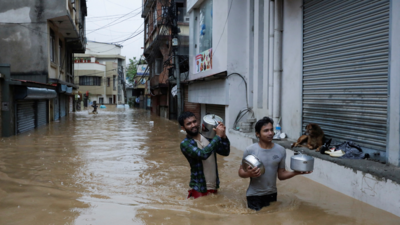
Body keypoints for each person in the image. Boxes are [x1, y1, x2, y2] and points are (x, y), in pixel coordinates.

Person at [238, 117, 312, 211]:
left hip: (272, 194)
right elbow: (240, 172)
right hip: (254, 195)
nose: (270, 133)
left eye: (271, 130)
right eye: (266, 131)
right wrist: (248, 173)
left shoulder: (280, 150)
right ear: (257, 134)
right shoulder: (250, 150)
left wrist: (296, 172)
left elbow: (281, 175)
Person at [179, 111, 230, 199]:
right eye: (189, 124)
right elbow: (202, 154)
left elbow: (225, 152)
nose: (193, 125)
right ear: (183, 128)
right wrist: (217, 136)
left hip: (214, 185)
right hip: (199, 187)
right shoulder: (185, 144)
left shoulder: (209, 137)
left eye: (194, 122)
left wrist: (224, 136)